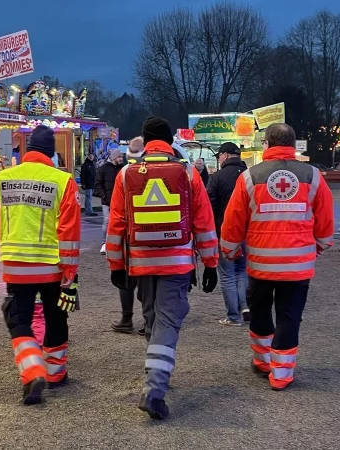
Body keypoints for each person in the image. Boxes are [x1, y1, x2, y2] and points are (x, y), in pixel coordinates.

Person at [106, 116, 219, 420]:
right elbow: (203, 221)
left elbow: (116, 224)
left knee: (152, 320)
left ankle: (157, 371)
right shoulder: (188, 172)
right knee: (167, 322)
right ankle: (155, 389)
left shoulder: (126, 174)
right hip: (176, 263)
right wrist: (210, 262)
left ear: (144, 142)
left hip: (141, 264)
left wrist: (116, 264)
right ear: (170, 142)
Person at [220, 123, 334, 391]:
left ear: (267, 144)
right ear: (293, 145)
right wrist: (320, 244)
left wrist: (230, 249)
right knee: (289, 316)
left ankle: (262, 362)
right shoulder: (313, 175)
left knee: (259, 311)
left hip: (261, 263)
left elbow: (234, 219)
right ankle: (281, 375)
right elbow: (325, 216)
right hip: (297, 264)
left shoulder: (250, 176)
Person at [0, 125, 81, 405]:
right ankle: (55, 373)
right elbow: (69, 229)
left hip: (16, 264)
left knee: (19, 319)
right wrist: (69, 270)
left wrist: (6, 248)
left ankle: (32, 371)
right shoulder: (62, 180)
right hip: (52, 265)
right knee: (57, 317)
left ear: (27, 150)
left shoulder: (2, 178)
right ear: (51, 153)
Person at [206, 142, 249, 326]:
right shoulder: (250, 175)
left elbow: (209, 206)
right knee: (242, 271)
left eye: (219, 156)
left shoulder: (217, 177)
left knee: (227, 274)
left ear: (225, 155)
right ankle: (245, 306)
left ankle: (233, 316)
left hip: (225, 231)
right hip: (248, 232)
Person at [108, 137, 146, 335]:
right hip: (152, 237)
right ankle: (149, 320)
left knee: (126, 281)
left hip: (129, 238)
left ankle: (126, 318)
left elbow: (117, 216)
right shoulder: (161, 171)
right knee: (147, 282)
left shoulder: (124, 174)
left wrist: (114, 257)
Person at [94, 148, 124, 255]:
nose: (121, 159)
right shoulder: (104, 168)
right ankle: (104, 243)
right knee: (107, 221)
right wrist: (103, 195)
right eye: (119, 157)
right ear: (114, 158)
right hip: (107, 200)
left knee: (120, 222)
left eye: (121, 157)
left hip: (120, 201)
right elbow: (98, 183)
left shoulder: (123, 168)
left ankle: (119, 243)